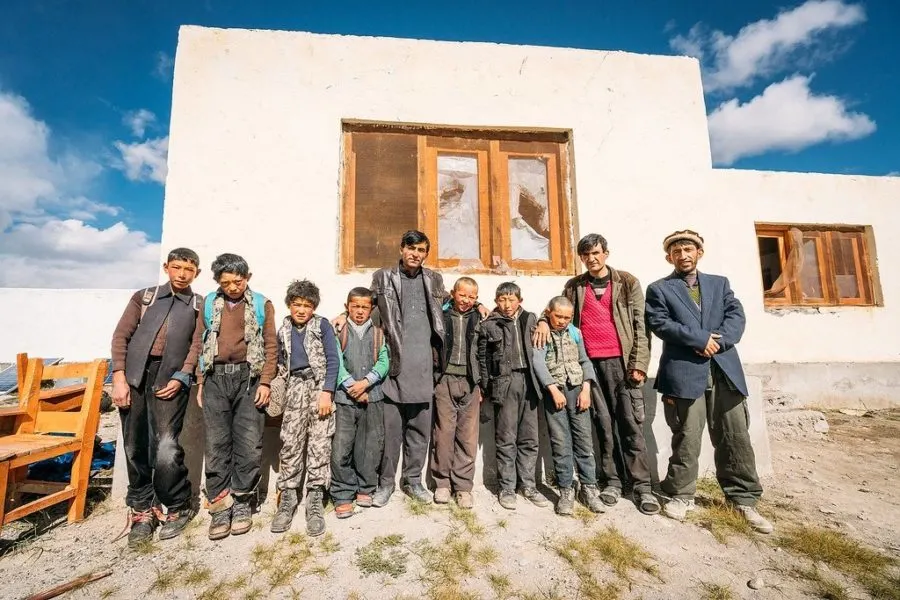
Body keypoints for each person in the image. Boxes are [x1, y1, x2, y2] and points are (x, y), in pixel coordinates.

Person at [645, 230, 772, 533]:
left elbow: (736, 316)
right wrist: (700, 339)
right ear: (669, 257)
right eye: (677, 252)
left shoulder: (719, 284)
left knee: (734, 434)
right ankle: (680, 494)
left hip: (723, 369)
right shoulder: (660, 289)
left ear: (700, 252)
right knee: (686, 435)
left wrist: (719, 342)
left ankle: (743, 499)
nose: (683, 255)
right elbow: (660, 323)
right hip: (684, 371)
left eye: (689, 249)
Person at [533, 233, 658, 515]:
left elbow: (641, 324)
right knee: (602, 424)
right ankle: (612, 481)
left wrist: (639, 362)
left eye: (596, 253)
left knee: (630, 423)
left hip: (622, 363)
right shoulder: (575, 286)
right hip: (587, 366)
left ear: (606, 253)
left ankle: (642, 487)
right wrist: (542, 320)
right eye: (586, 255)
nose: (592, 259)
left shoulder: (627, 282)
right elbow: (555, 309)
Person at [110, 248, 204, 547]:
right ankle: (142, 508)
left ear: (196, 273)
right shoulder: (145, 297)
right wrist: (119, 376)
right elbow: (120, 337)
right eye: (176, 267)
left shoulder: (199, 305)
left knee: (166, 446)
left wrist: (183, 375)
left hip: (171, 380)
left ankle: (178, 503)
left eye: (188, 270)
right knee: (133, 444)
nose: (181, 274)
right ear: (166, 267)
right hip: (135, 377)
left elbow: (197, 345)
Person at [197, 253, 277, 541]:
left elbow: (271, 345)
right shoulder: (208, 304)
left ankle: (243, 500)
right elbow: (200, 341)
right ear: (218, 281)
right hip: (216, 378)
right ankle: (220, 504)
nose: (233, 287)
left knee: (248, 441)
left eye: (238, 281)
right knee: (216, 442)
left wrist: (265, 382)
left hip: (249, 378)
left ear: (248, 278)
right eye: (227, 282)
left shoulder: (260, 304)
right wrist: (201, 382)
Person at [269, 280, 339, 536]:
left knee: (320, 442)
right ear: (289, 305)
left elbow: (333, 359)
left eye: (307, 306)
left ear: (314, 307)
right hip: (294, 388)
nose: (301, 310)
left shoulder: (322, 325)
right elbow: (279, 359)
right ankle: (287, 497)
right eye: (297, 304)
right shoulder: (284, 329)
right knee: (290, 442)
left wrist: (327, 392)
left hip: (318, 387)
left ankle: (315, 499)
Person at [531, 296, 605, 516]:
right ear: (548, 312)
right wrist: (552, 389)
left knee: (584, 441)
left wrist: (586, 389)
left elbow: (584, 360)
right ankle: (566, 489)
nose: (562, 321)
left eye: (567, 317)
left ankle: (589, 488)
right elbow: (538, 362)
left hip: (577, 391)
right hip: (556, 393)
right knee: (561, 442)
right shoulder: (542, 332)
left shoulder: (575, 333)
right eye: (558, 316)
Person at [478, 282, 549, 510]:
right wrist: (486, 387)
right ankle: (507, 486)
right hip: (505, 384)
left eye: (511, 299)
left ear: (520, 300)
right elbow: (483, 358)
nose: (507, 305)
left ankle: (528, 484)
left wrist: (544, 322)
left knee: (530, 437)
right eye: (502, 300)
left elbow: (549, 315)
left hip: (529, 382)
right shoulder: (490, 324)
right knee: (506, 437)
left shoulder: (531, 319)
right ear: (496, 301)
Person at [329, 287, 389, 519]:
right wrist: (351, 386)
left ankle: (365, 488)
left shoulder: (378, 334)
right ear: (347, 307)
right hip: (345, 399)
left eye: (365, 307)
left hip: (372, 397)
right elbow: (335, 361)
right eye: (355, 306)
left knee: (369, 446)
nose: (360, 311)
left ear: (371, 309)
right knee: (341, 448)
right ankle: (343, 493)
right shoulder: (339, 331)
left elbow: (384, 361)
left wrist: (366, 383)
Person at [431, 277, 482, 509]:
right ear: (453, 293)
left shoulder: (480, 318)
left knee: (467, 437)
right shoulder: (441, 317)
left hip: (471, 382)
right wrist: (435, 378)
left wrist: (482, 384)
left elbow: (485, 352)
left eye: (472, 297)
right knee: (443, 433)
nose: (467, 300)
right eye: (463, 295)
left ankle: (463, 487)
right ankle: (442, 484)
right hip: (445, 380)